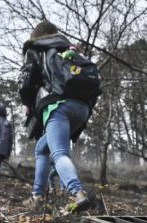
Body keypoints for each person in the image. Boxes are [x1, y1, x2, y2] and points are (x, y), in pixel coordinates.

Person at [19, 20, 100, 211]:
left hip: (58, 107)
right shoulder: (71, 50)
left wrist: (28, 104)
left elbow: (26, 83)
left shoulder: (37, 49)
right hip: (82, 109)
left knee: (59, 153)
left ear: (37, 35)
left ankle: (77, 193)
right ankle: (37, 196)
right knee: (42, 148)